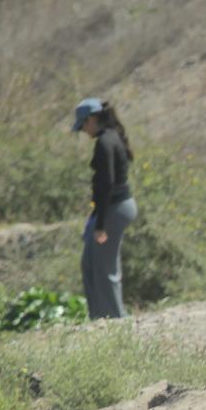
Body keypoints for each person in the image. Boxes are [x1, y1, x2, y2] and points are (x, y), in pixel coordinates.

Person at [71, 98, 138, 320]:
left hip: (114, 208)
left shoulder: (105, 142)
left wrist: (100, 224)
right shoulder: (111, 137)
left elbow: (106, 184)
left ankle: (116, 321)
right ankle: (100, 318)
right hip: (114, 208)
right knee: (90, 262)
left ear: (92, 119)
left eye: (82, 125)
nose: (83, 131)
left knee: (105, 268)